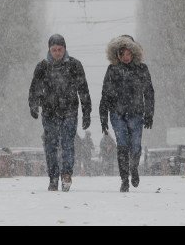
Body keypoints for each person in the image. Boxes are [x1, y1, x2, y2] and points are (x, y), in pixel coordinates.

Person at [29, 34, 92, 192]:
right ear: (49, 50)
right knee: (50, 145)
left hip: (69, 111)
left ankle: (66, 175)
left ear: (65, 49)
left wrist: (86, 112)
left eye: (60, 49)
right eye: (54, 49)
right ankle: (53, 177)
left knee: (67, 144)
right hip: (49, 112)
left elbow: (83, 90)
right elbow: (35, 88)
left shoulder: (75, 65)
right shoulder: (42, 67)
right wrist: (34, 106)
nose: (57, 53)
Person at [99, 35, 155, 192]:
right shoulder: (112, 70)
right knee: (122, 145)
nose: (125, 57)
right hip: (117, 114)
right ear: (117, 54)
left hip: (136, 113)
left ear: (134, 53)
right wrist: (103, 118)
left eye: (128, 53)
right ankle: (124, 179)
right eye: (122, 54)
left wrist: (149, 113)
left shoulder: (142, 69)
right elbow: (105, 94)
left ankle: (134, 168)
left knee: (136, 146)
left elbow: (149, 92)